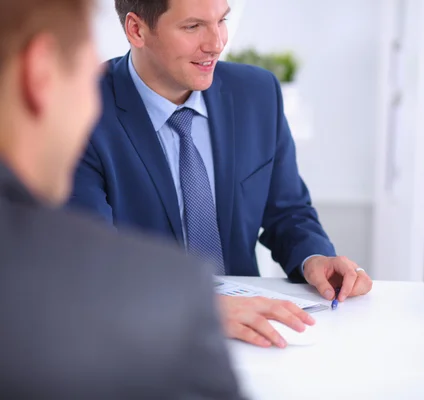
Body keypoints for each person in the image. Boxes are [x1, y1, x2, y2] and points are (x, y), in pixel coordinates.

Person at [68, 0, 374, 348]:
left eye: (221, 20)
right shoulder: (80, 108)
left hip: (254, 333)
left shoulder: (257, 94)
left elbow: (289, 212)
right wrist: (200, 308)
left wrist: (315, 258)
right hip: (144, 340)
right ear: (137, 30)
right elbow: (90, 263)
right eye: (193, 26)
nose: (216, 43)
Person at [0, 0, 244, 398]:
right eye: (87, 63)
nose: (216, 42)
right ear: (40, 71)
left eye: (221, 21)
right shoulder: (157, 298)